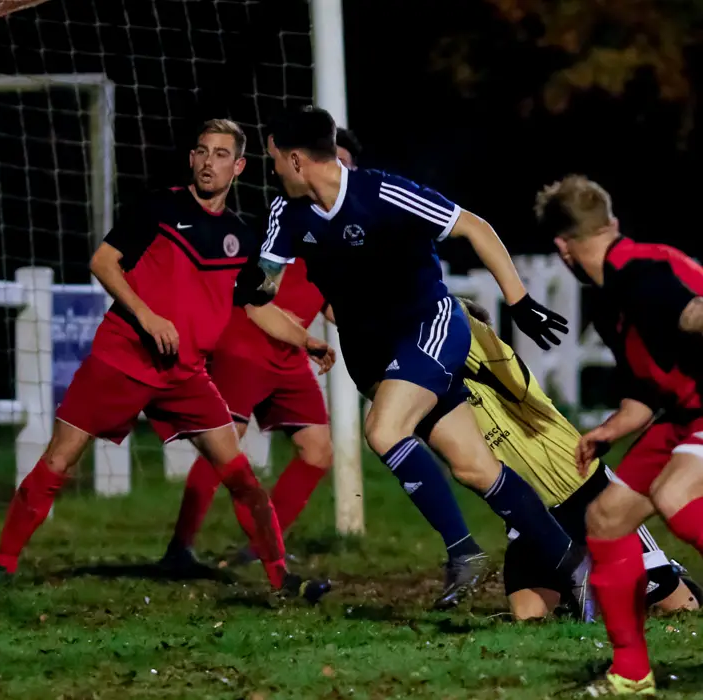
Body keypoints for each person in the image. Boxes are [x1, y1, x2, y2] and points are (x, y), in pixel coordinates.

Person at [249, 105, 587, 611]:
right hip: (372, 353)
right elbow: (265, 280)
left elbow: (474, 227)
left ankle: (463, 552)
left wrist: (517, 301)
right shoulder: (287, 213)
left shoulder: (382, 193)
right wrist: (249, 285)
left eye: (275, 158)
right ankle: (577, 567)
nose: (272, 168)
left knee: (383, 432)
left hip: (429, 328)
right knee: (475, 468)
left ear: (296, 160)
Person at [0, 119, 334, 602]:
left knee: (239, 474)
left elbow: (255, 306)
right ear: (192, 159)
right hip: (123, 358)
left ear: (237, 167)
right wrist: (148, 317)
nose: (208, 161)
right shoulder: (158, 207)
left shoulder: (241, 234)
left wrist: (306, 341)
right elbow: (103, 263)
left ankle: (281, 578)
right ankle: (1, 569)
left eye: (220, 154)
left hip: (186, 375)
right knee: (60, 460)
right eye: (201, 151)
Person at [536, 174, 703, 695]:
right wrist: (608, 430)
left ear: (562, 248)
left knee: (674, 495)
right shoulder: (612, 295)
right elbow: (644, 393)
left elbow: (693, 313)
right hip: (681, 413)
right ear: (609, 223)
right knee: (606, 520)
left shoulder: (640, 272)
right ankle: (632, 673)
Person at [454, 298, 699, 621]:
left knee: (682, 608)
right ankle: (581, 590)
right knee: (528, 618)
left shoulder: (503, 370)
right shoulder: (443, 394)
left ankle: (674, 578)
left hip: (584, 491)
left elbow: (455, 319)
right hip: (530, 515)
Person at [160, 254, 332, 570]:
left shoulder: (343, 246)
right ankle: (180, 547)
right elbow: (255, 296)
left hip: (289, 354)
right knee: (222, 445)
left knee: (317, 450)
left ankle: (262, 547)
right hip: (246, 342)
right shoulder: (286, 236)